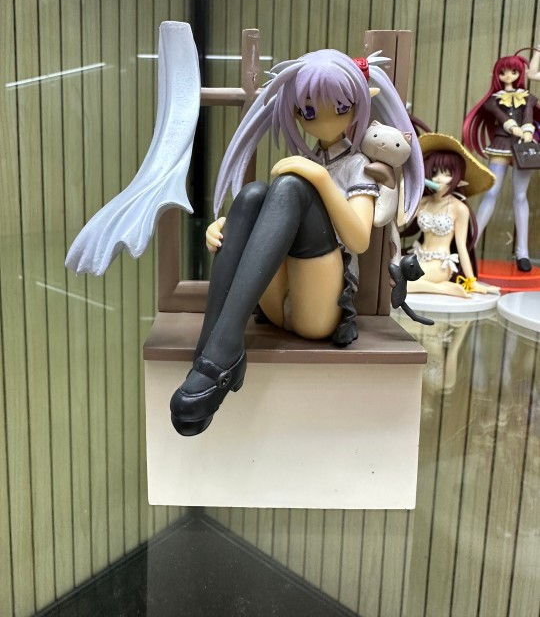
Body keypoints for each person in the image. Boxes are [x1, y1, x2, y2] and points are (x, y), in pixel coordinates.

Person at [170, 48, 425, 436]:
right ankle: (212, 345)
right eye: (308, 112)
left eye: (339, 108)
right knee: (253, 195)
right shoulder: (305, 159)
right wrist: (227, 229)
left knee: (290, 186)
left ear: (360, 104)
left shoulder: (358, 165)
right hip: (278, 304)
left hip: (319, 308)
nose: (322, 120)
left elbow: (359, 239)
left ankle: (220, 357)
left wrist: (318, 179)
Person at [463, 54, 539, 271]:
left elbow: (528, 115)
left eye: (513, 72)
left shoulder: (528, 97)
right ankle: (470, 246)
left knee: (520, 196)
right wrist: (513, 128)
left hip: (523, 147)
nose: (508, 76)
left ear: (520, 74)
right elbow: (501, 116)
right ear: (497, 74)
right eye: (503, 72)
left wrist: (527, 131)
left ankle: (522, 253)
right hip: (501, 145)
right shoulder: (493, 100)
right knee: (491, 193)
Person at [406, 133, 497, 298]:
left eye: (447, 174)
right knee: (390, 278)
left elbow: (461, 245)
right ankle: (442, 288)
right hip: (417, 258)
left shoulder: (459, 208)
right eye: (435, 172)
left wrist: (471, 280)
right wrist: (403, 186)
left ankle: (444, 287)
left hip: (440, 265)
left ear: (457, 178)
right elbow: (400, 221)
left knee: (403, 283)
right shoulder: (423, 202)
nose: (439, 178)